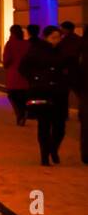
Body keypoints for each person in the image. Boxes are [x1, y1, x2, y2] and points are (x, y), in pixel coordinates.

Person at [19, 26, 73, 165]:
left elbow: (70, 67)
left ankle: (53, 149)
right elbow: (23, 67)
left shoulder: (63, 51)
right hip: (42, 92)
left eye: (58, 37)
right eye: (53, 37)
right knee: (44, 125)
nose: (56, 40)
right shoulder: (36, 50)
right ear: (46, 37)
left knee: (60, 128)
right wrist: (35, 79)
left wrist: (66, 80)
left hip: (59, 93)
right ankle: (44, 156)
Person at [1, 25, 31, 126]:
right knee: (23, 96)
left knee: (12, 96)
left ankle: (20, 114)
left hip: (14, 74)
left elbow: (6, 60)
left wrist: (5, 65)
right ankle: (24, 110)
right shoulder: (27, 44)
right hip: (25, 75)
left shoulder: (10, 44)